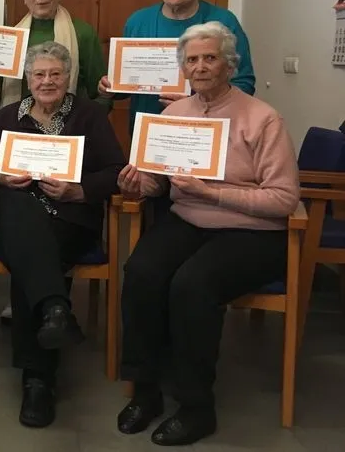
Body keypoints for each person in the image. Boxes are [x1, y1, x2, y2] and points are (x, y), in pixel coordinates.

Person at [115, 22, 298, 446]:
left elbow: (284, 199)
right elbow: (158, 185)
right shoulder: (173, 114)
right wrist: (135, 183)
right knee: (141, 272)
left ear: (229, 64)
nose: (200, 67)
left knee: (192, 286)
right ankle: (145, 391)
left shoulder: (263, 118)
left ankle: (197, 407)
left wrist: (215, 193)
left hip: (251, 232)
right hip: (188, 219)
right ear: (183, 67)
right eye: (192, 59)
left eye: (210, 58)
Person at [0, 41, 124, 428]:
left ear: (68, 78)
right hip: (16, 212)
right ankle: (53, 318)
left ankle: (37, 379)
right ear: (27, 79)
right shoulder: (6, 117)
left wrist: (79, 190)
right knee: (20, 214)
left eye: (55, 74)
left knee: (29, 257)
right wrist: (0, 177)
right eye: (39, 74)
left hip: (69, 219)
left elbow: (115, 171)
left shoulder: (89, 117)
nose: (47, 81)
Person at [0, 0, 111, 326]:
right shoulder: (10, 35)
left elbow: (98, 90)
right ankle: (52, 303)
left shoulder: (84, 33)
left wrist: (82, 128)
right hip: (22, 143)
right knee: (25, 211)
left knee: (47, 221)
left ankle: (34, 297)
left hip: (70, 143)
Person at [97, 0, 255, 131]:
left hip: (206, 130)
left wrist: (194, 104)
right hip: (149, 131)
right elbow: (126, 87)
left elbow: (244, 84)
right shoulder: (138, 22)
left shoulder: (224, 21)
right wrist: (109, 88)